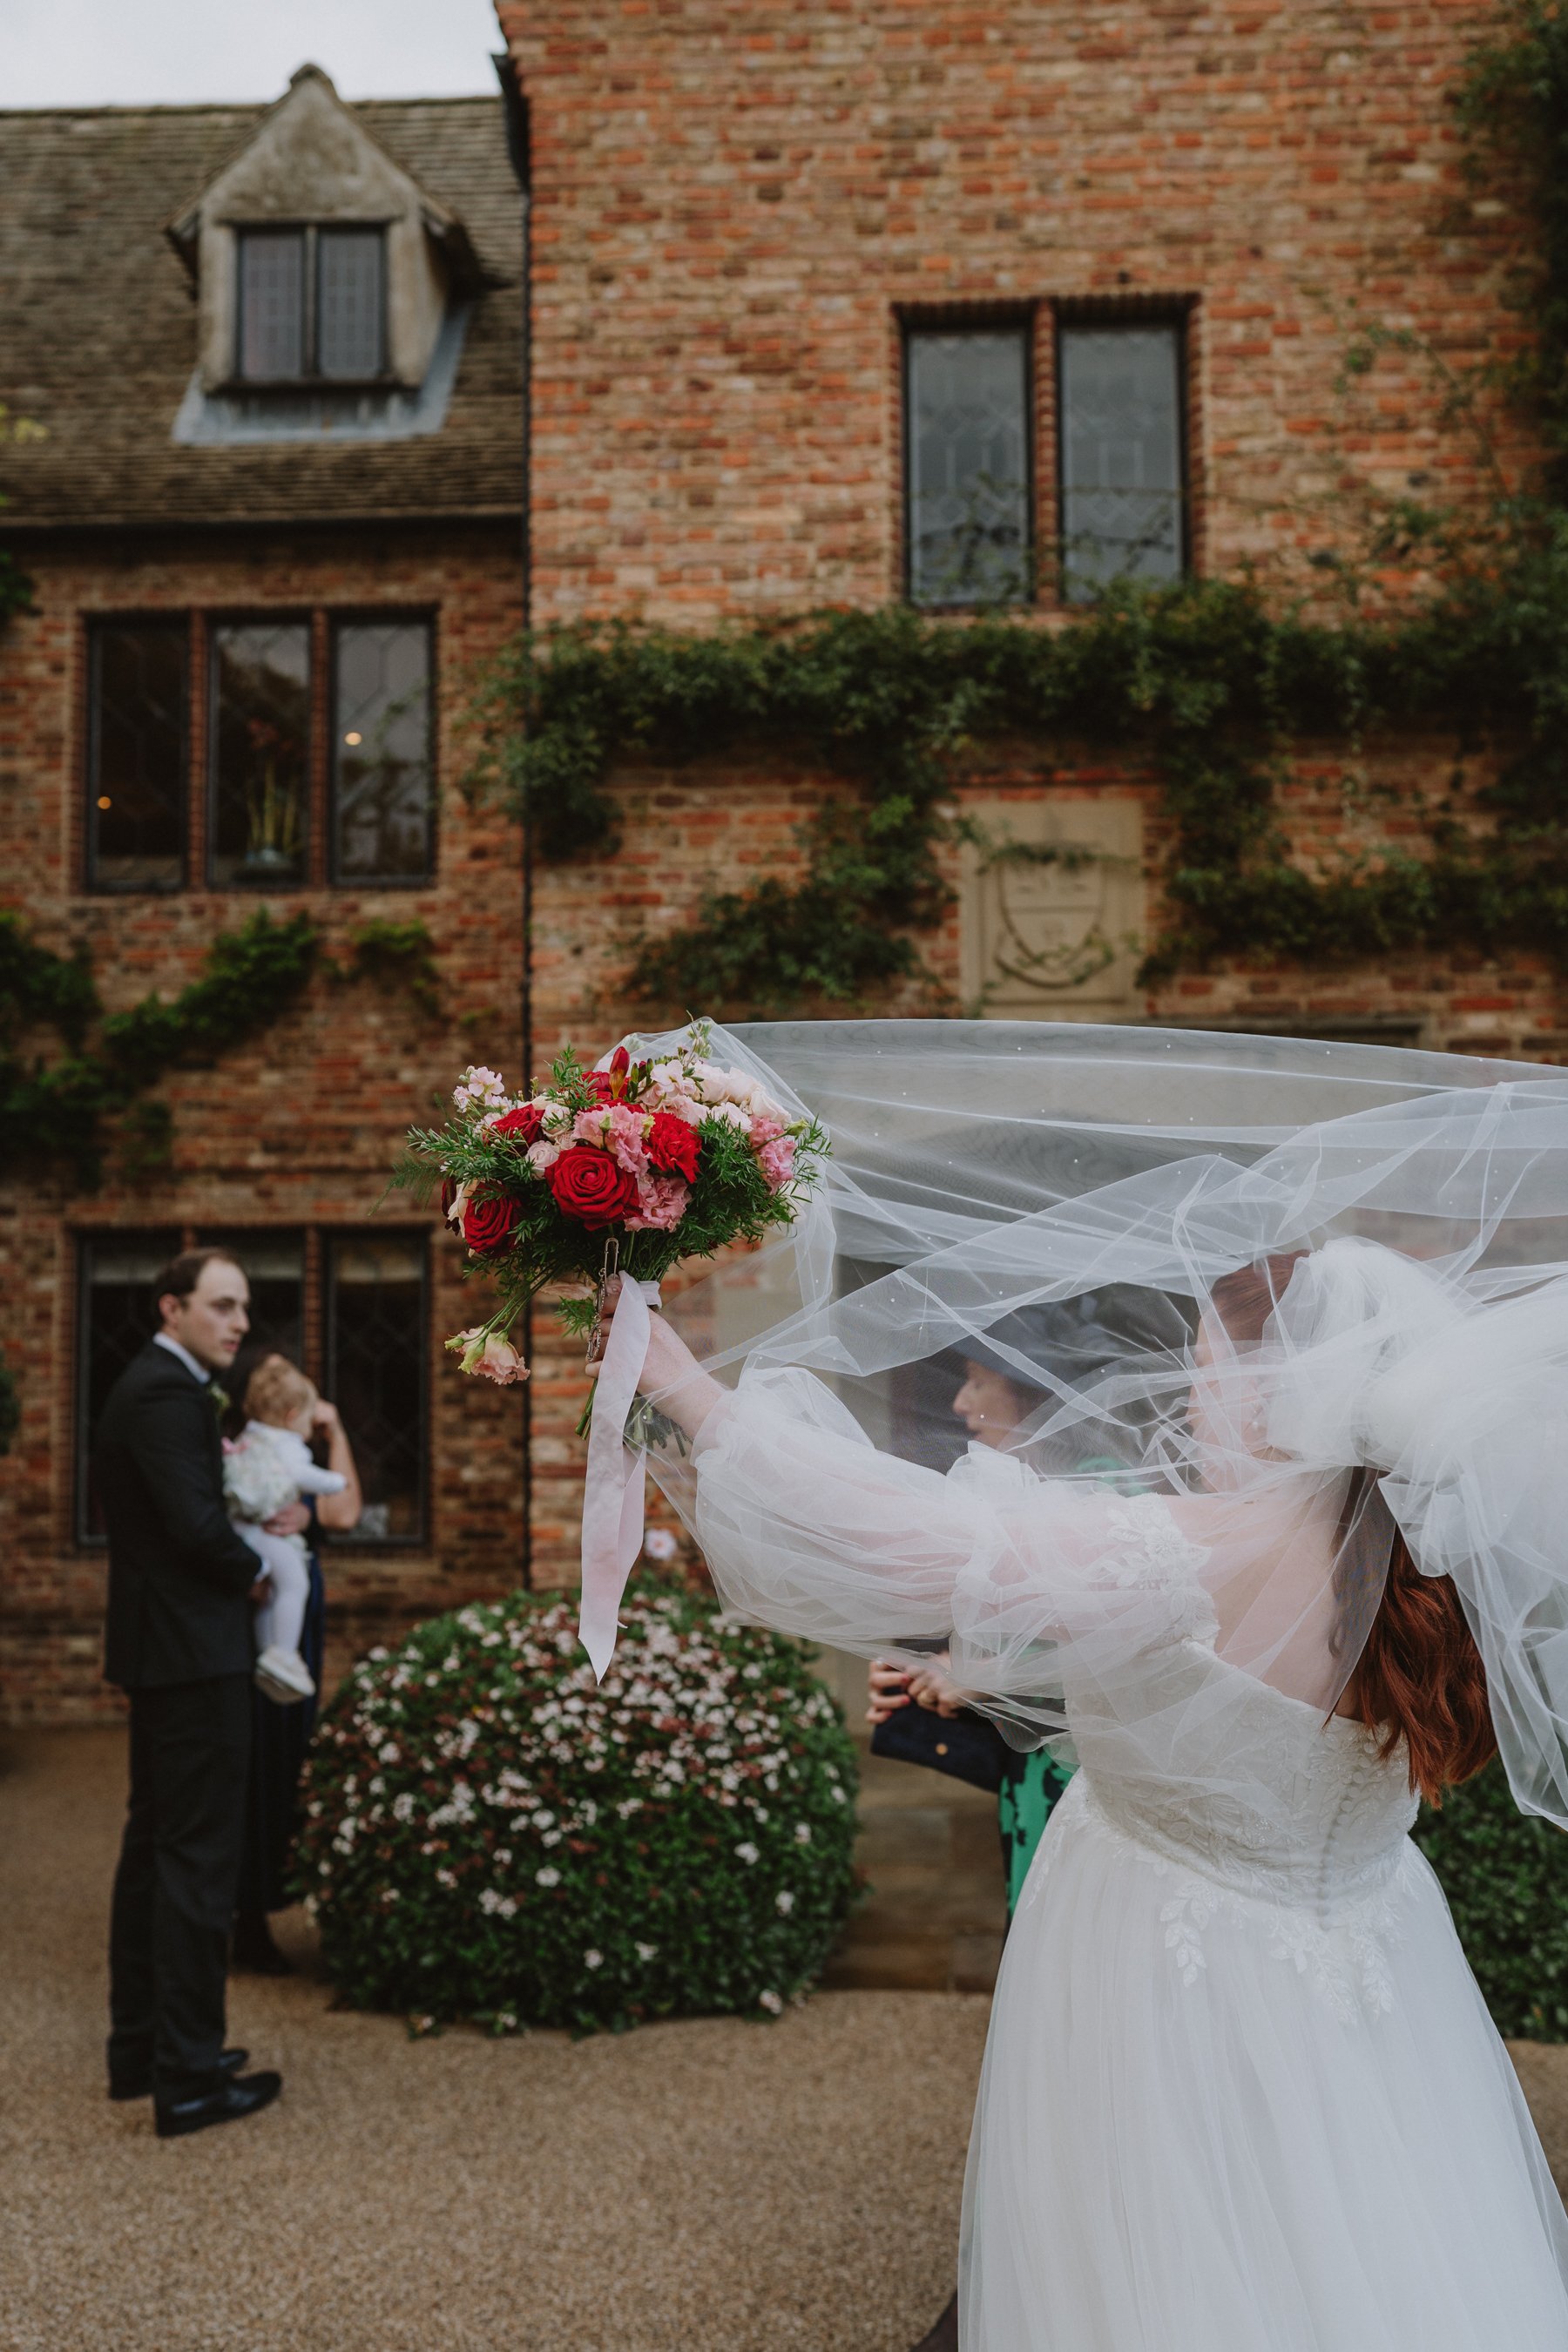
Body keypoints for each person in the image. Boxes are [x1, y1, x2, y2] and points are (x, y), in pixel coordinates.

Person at [589, 1017, 1568, 2352]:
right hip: (1384, 1965)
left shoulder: (1221, 1551)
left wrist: (692, 1393)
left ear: (1279, 1386)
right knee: (1371, 2243)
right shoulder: (1436, 1577)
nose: (1194, 1390)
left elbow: (915, 1543)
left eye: (1213, 1362)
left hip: (1170, 1976)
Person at [98, 1247, 283, 2139]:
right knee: (197, 1867)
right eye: (222, 1305)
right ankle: (191, 2079)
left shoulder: (154, 1385)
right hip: (192, 1653)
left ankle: (141, 2052)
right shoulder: (165, 1394)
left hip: (163, 1649)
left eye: (244, 1307)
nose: (239, 1323)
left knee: (155, 1854)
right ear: (172, 1309)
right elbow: (196, 1527)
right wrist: (257, 1568)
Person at [232, 1369, 362, 1977]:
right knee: (254, 1754)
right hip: (257, 1613)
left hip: (300, 1614)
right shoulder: (252, 1460)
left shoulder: (294, 1453)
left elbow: (342, 1513)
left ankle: (270, 1897)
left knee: (289, 1749)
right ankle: (245, 1914)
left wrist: (335, 1432)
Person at [223, 1355, 350, 1705]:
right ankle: (283, 1654)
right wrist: (334, 1482)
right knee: (294, 1583)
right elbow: (301, 1475)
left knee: (277, 1594)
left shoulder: (252, 1436)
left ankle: (272, 1653)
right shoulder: (287, 1443)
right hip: (268, 1537)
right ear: (293, 1415)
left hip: (245, 1532)